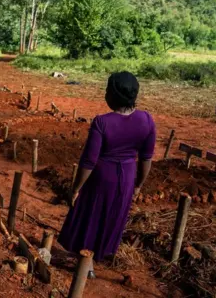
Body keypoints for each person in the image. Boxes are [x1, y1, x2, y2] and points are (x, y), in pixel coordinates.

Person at [58, 71, 155, 279]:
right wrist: (138, 185)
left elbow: (89, 161)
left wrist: (76, 188)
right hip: (127, 178)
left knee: (90, 217)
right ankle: (97, 257)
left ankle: (86, 265)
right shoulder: (147, 120)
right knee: (112, 217)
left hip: (102, 178)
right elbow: (146, 159)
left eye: (106, 90)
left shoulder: (102, 122)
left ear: (112, 95)